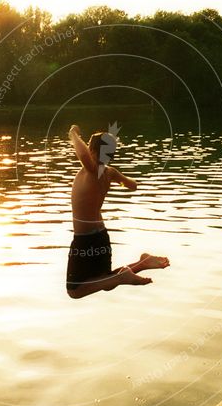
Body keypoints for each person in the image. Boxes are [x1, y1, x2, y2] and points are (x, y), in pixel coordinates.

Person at [66, 124, 169, 299]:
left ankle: (124, 275)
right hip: (101, 238)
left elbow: (82, 154)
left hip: (86, 239)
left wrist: (73, 134)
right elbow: (133, 185)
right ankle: (142, 263)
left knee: (74, 291)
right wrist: (120, 180)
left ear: (92, 149)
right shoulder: (109, 172)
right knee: (106, 280)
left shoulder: (92, 169)